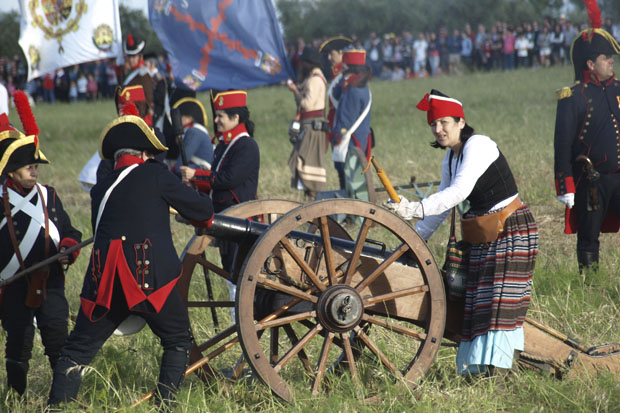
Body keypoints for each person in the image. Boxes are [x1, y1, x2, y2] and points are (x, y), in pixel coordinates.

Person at [48, 115, 214, 408]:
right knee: (176, 339)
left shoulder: (101, 188)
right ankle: (165, 405)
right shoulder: (156, 174)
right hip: (148, 278)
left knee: (76, 351)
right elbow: (203, 211)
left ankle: (58, 406)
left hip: (104, 282)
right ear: (143, 153)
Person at [385, 90, 538, 376]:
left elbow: (458, 193)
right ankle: (479, 370)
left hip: (510, 229)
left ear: (460, 122)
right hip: (483, 235)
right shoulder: (450, 159)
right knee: (478, 303)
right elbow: (442, 208)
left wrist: (414, 208)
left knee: (497, 305)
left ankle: (500, 373)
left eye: (444, 122)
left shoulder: (478, 145)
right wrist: (415, 241)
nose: (438, 129)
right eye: (433, 124)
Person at [0, 97, 82, 397]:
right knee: (18, 347)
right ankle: (17, 398)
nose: (34, 172)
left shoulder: (49, 196)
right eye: (28, 167)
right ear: (11, 171)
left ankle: (63, 399)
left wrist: (70, 247)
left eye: (36, 166)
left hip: (51, 281)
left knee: (58, 341)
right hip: (14, 285)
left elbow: (70, 231)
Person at [179, 90, 259, 313]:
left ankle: (242, 318)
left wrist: (196, 175)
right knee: (230, 274)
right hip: (225, 216)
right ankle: (237, 318)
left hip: (241, 217)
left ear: (235, 118)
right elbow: (216, 182)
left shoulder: (246, 146)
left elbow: (229, 180)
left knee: (240, 275)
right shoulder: (224, 145)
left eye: (221, 116)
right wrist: (196, 183)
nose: (216, 120)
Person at [553, 26, 620, 273]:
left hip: (618, 176)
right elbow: (562, 144)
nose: (612, 61)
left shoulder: (618, 89)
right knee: (589, 236)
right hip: (590, 181)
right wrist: (566, 186)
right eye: (606, 58)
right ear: (591, 64)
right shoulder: (573, 97)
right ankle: (589, 284)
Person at [286, 47, 328, 200]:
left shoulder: (315, 80)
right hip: (309, 125)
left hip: (311, 127)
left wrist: (295, 92)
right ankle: (310, 198)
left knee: (307, 163)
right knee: (304, 162)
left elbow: (307, 104)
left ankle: (313, 198)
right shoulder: (313, 79)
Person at [331, 49, 373, 193]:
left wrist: (336, 136)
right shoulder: (356, 86)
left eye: (344, 66)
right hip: (357, 140)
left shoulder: (353, 90)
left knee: (349, 180)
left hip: (351, 141)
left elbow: (346, 119)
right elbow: (334, 94)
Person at [319, 36, 352, 191]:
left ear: (341, 54)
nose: (329, 58)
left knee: (345, 167)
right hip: (334, 125)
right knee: (339, 166)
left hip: (342, 126)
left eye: (332, 54)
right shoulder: (336, 76)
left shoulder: (344, 77)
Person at [171, 97, 213, 171]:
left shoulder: (194, 132)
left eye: (181, 117)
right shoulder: (196, 131)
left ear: (189, 118)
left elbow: (182, 162)